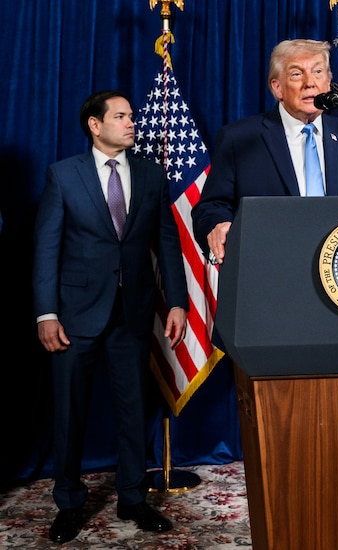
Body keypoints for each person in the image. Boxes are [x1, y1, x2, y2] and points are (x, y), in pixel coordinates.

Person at [33, 90, 189, 543]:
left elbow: (167, 241)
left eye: (132, 115)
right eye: (120, 116)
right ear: (95, 126)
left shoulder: (151, 174)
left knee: (132, 409)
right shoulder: (63, 176)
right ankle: (68, 502)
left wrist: (176, 301)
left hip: (133, 313)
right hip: (74, 316)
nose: (131, 122)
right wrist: (46, 313)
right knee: (69, 413)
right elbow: (47, 249)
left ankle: (133, 498)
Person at [191, 38, 338, 262]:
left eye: (318, 72)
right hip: (270, 267)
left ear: (329, 82)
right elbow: (211, 206)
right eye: (296, 74)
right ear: (277, 88)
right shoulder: (240, 138)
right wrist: (217, 225)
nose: (310, 83)